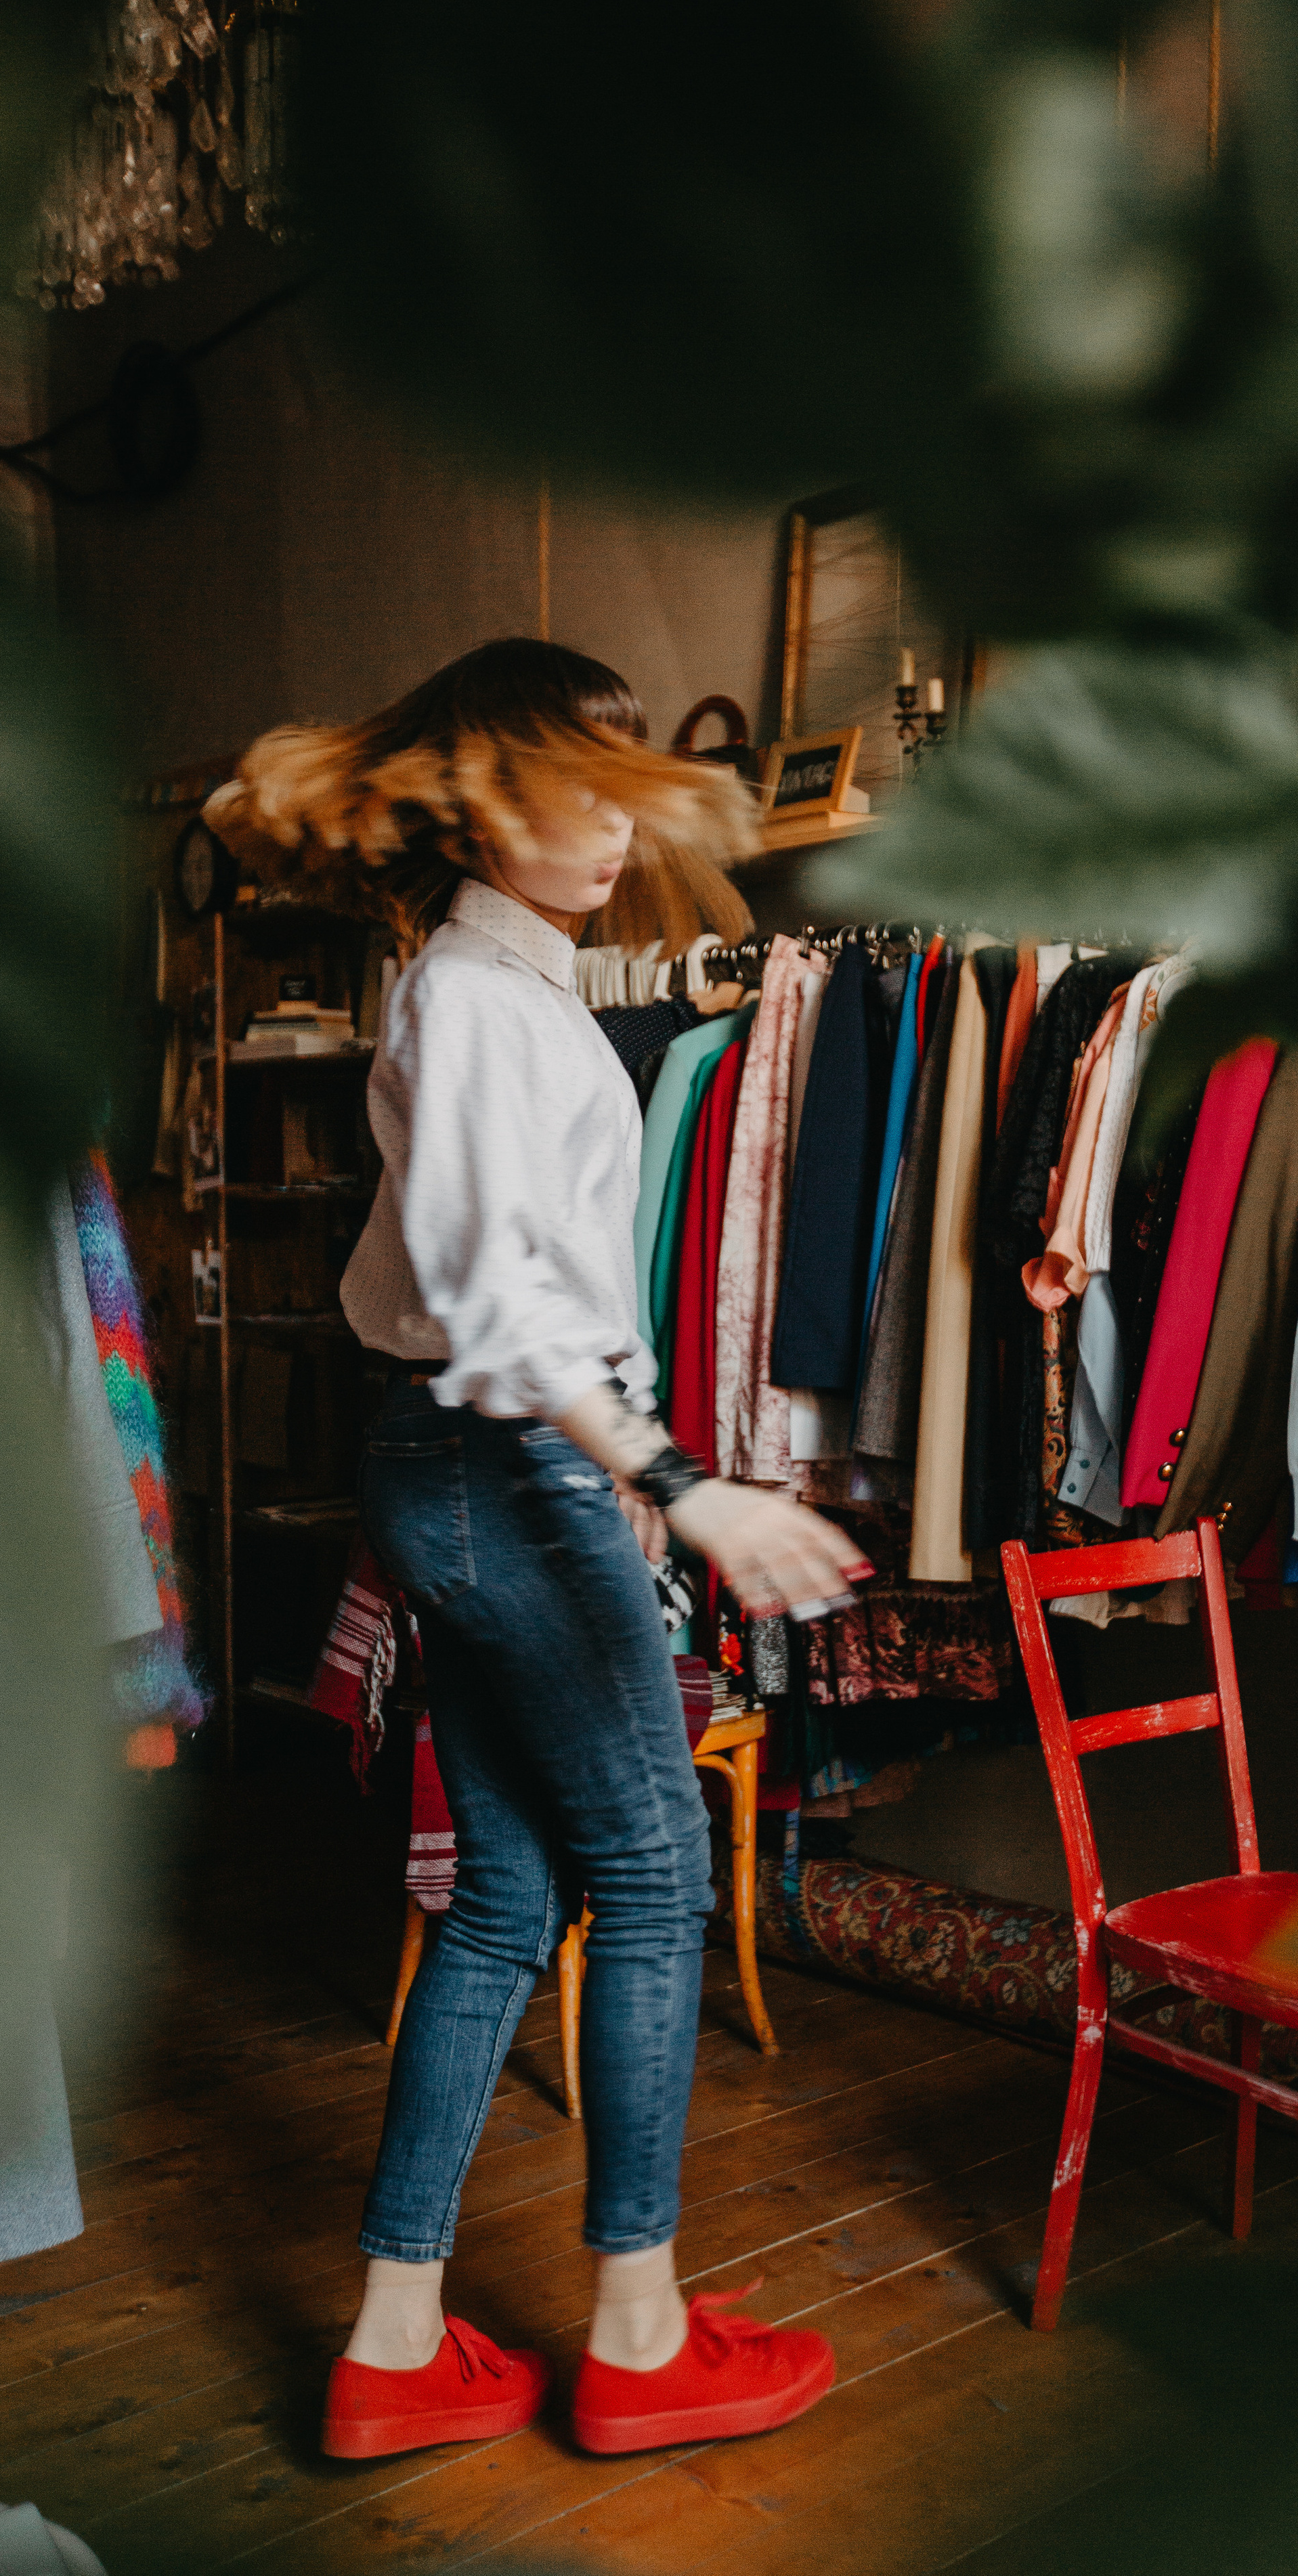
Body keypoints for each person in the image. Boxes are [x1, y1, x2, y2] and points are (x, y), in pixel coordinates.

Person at [205, 640, 866, 2462]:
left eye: (621, 785)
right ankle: (641, 2344)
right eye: (577, 785)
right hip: (515, 1468)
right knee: (653, 1884)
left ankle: (396, 2342)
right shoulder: (480, 1001)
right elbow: (502, 1307)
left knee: (503, 1905)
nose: (608, 827)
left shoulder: (494, 985)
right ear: (489, 800)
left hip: (463, 1471)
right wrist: (680, 1484)